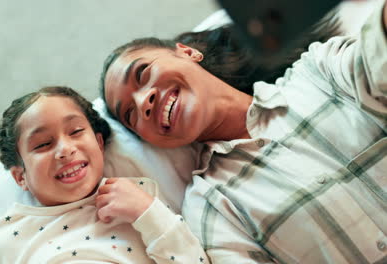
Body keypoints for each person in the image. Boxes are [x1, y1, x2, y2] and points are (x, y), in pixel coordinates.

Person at [99, 1, 387, 263]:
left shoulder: (321, 72)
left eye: (142, 73)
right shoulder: (213, 210)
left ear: (188, 53)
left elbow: (379, 55)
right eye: (130, 115)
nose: (143, 103)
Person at [0, 86, 209, 263]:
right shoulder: (10, 237)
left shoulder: (139, 201)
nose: (65, 150)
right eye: (43, 144)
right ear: (20, 177)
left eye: (76, 131)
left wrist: (148, 213)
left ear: (99, 144)